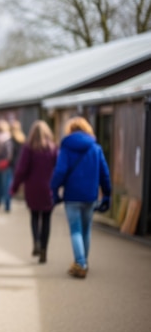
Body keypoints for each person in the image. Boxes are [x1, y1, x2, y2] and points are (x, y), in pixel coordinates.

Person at [50, 116, 111, 279]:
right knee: (86, 230)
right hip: (91, 195)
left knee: (75, 230)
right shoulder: (96, 148)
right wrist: (107, 194)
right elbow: (104, 174)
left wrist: (54, 189)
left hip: (72, 196)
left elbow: (60, 171)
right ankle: (84, 262)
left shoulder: (66, 147)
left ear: (70, 130)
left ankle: (80, 262)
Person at [10, 120, 57, 263]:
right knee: (47, 219)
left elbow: (21, 170)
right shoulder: (53, 149)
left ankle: (36, 241)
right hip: (49, 188)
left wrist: (15, 186)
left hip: (32, 188)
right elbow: (59, 168)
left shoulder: (28, 148)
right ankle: (44, 250)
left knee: (35, 216)